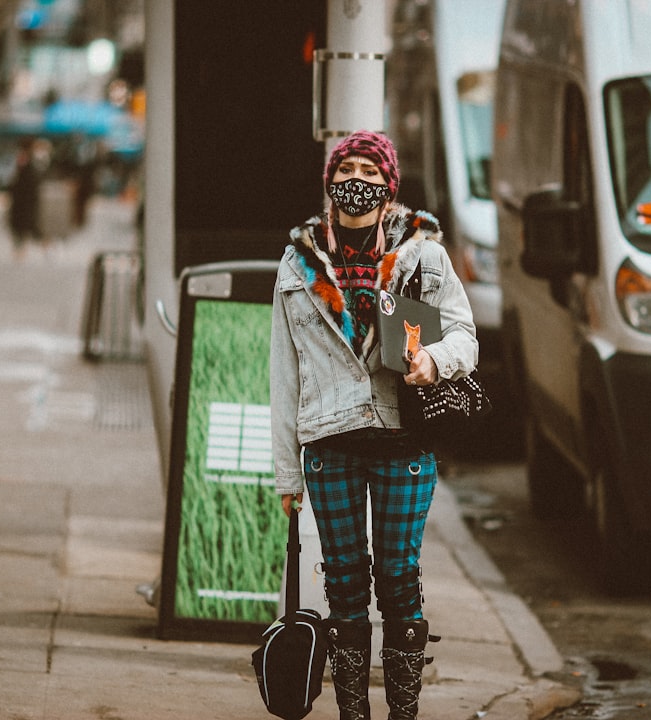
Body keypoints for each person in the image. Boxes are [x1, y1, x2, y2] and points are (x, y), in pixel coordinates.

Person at [270, 130, 479, 720]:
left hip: (402, 437)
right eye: (345, 168)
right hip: (328, 439)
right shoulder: (298, 260)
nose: (354, 178)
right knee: (344, 581)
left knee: (397, 573)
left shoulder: (424, 254)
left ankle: (403, 713)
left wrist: (431, 359)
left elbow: (464, 334)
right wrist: (287, 473)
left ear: (388, 188)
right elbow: (282, 371)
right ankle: (353, 714)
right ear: (329, 182)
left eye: (368, 169)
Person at [7, 137, 43, 260]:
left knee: (22, 224)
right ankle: (20, 248)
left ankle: (20, 248)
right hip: (23, 199)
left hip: (24, 199)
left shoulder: (27, 160)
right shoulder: (24, 160)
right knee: (21, 223)